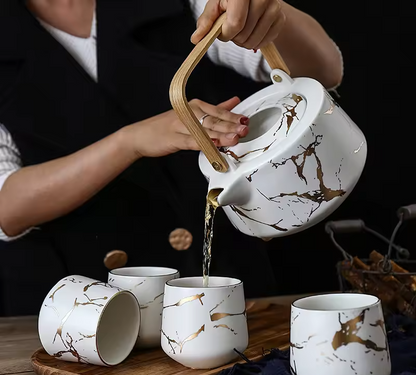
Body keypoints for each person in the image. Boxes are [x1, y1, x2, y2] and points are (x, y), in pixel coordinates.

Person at [0, 0, 343, 315]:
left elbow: (324, 69)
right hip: (80, 313)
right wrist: (130, 142)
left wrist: (267, 12)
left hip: (223, 286)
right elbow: (7, 206)